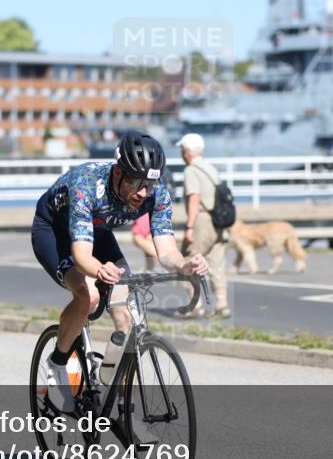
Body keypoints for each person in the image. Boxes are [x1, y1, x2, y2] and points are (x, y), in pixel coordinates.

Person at [31, 130, 208, 412]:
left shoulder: (156, 192)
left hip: (97, 231)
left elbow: (166, 251)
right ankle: (58, 365)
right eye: (136, 182)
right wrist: (101, 270)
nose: (142, 192)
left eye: (149, 183)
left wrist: (185, 265)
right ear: (117, 172)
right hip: (55, 232)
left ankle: (120, 402)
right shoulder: (86, 184)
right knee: (87, 296)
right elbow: (82, 257)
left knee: (127, 313)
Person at [177, 133, 231, 318]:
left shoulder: (191, 170)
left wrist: (189, 227)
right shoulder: (210, 168)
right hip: (219, 221)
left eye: (182, 150)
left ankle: (195, 305)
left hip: (202, 219)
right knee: (216, 262)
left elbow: (194, 198)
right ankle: (222, 305)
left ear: (186, 152)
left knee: (187, 260)